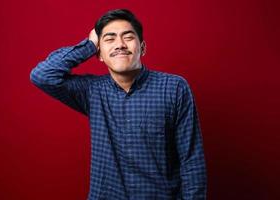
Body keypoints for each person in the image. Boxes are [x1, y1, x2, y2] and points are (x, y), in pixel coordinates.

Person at [30, 9, 207, 200]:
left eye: (128, 37)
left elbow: (191, 160)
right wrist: (89, 45)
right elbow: (42, 76)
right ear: (99, 53)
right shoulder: (92, 91)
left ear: (143, 47)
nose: (120, 45)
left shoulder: (174, 88)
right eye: (109, 39)